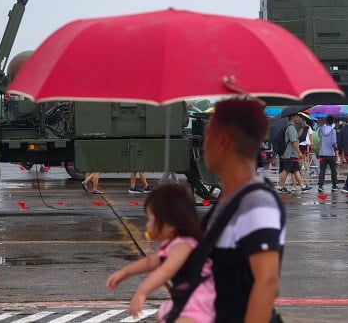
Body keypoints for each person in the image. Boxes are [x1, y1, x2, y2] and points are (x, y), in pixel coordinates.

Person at [203, 98, 284, 322]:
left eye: (207, 135)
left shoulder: (256, 202)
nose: (204, 144)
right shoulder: (232, 200)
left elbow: (266, 282)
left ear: (224, 140)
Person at [106, 183, 214, 322]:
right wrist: (123, 273)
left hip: (201, 302)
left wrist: (142, 292)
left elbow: (166, 270)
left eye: (151, 219)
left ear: (170, 224)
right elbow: (150, 262)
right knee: (162, 315)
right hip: (185, 299)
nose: (147, 225)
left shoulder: (183, 245)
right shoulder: (173, 244)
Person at [276, 113, 311, 193]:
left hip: (292, 153)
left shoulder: (292, 127)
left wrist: (302, 127)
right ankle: (280, 187)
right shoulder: (290, 127)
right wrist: (299, 152)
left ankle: (302, 186)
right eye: (297, 116)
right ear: (292, 117)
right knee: (286, 170)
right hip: (290, 153)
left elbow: (296, 137)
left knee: (296, 170)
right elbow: (293, 141)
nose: (298, 118)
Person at [317, 115, 339, 193]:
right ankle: (334, 185)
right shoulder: (333, 131)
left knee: (322, 170)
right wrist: (336, 146)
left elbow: (319, 136)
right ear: (332, 122)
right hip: (331, 154)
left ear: (326, 121)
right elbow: (333, 142)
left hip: (322, 153)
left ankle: (320, 185)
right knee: (333, 170)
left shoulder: (321, 129)